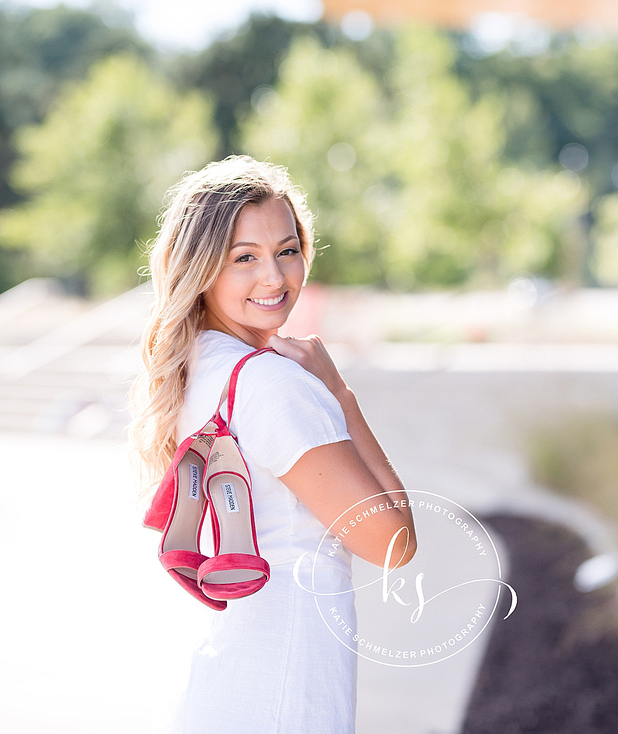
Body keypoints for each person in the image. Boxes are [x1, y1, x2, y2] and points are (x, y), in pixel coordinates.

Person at [130, 155, 416, 732]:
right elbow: (394, 543)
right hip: (291, 672)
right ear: (202, 270)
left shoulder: (198, 371)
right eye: (244, 258)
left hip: (236, 667)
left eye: (287, 250)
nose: (276, 277)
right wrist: (338, 391)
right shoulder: (271, 382)